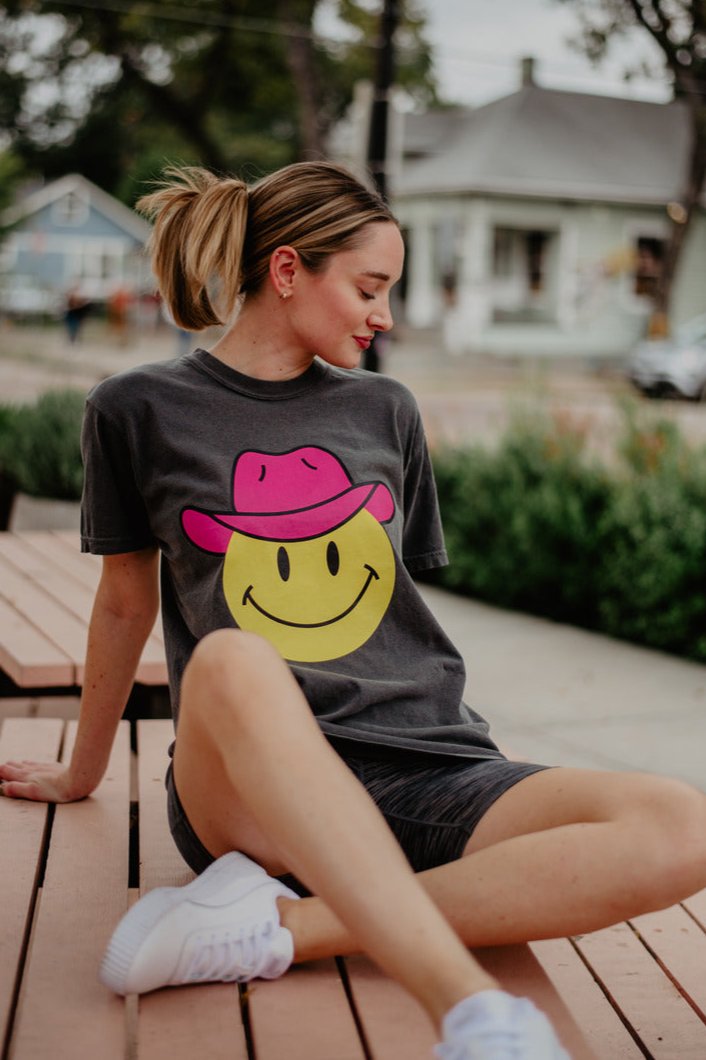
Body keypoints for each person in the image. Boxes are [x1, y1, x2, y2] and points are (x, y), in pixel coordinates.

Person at [1, 162, 705, 1060]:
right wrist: (82, 772)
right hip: (249, 789)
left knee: (680, 823)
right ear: (288, 271)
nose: (386, 316)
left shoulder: (387, 409)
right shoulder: (136, 409)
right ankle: (476, 1018)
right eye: (370, 289)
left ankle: (285, 929)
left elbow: (392, 617)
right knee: (233, 657)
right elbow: (122, 607)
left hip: (430, 766)